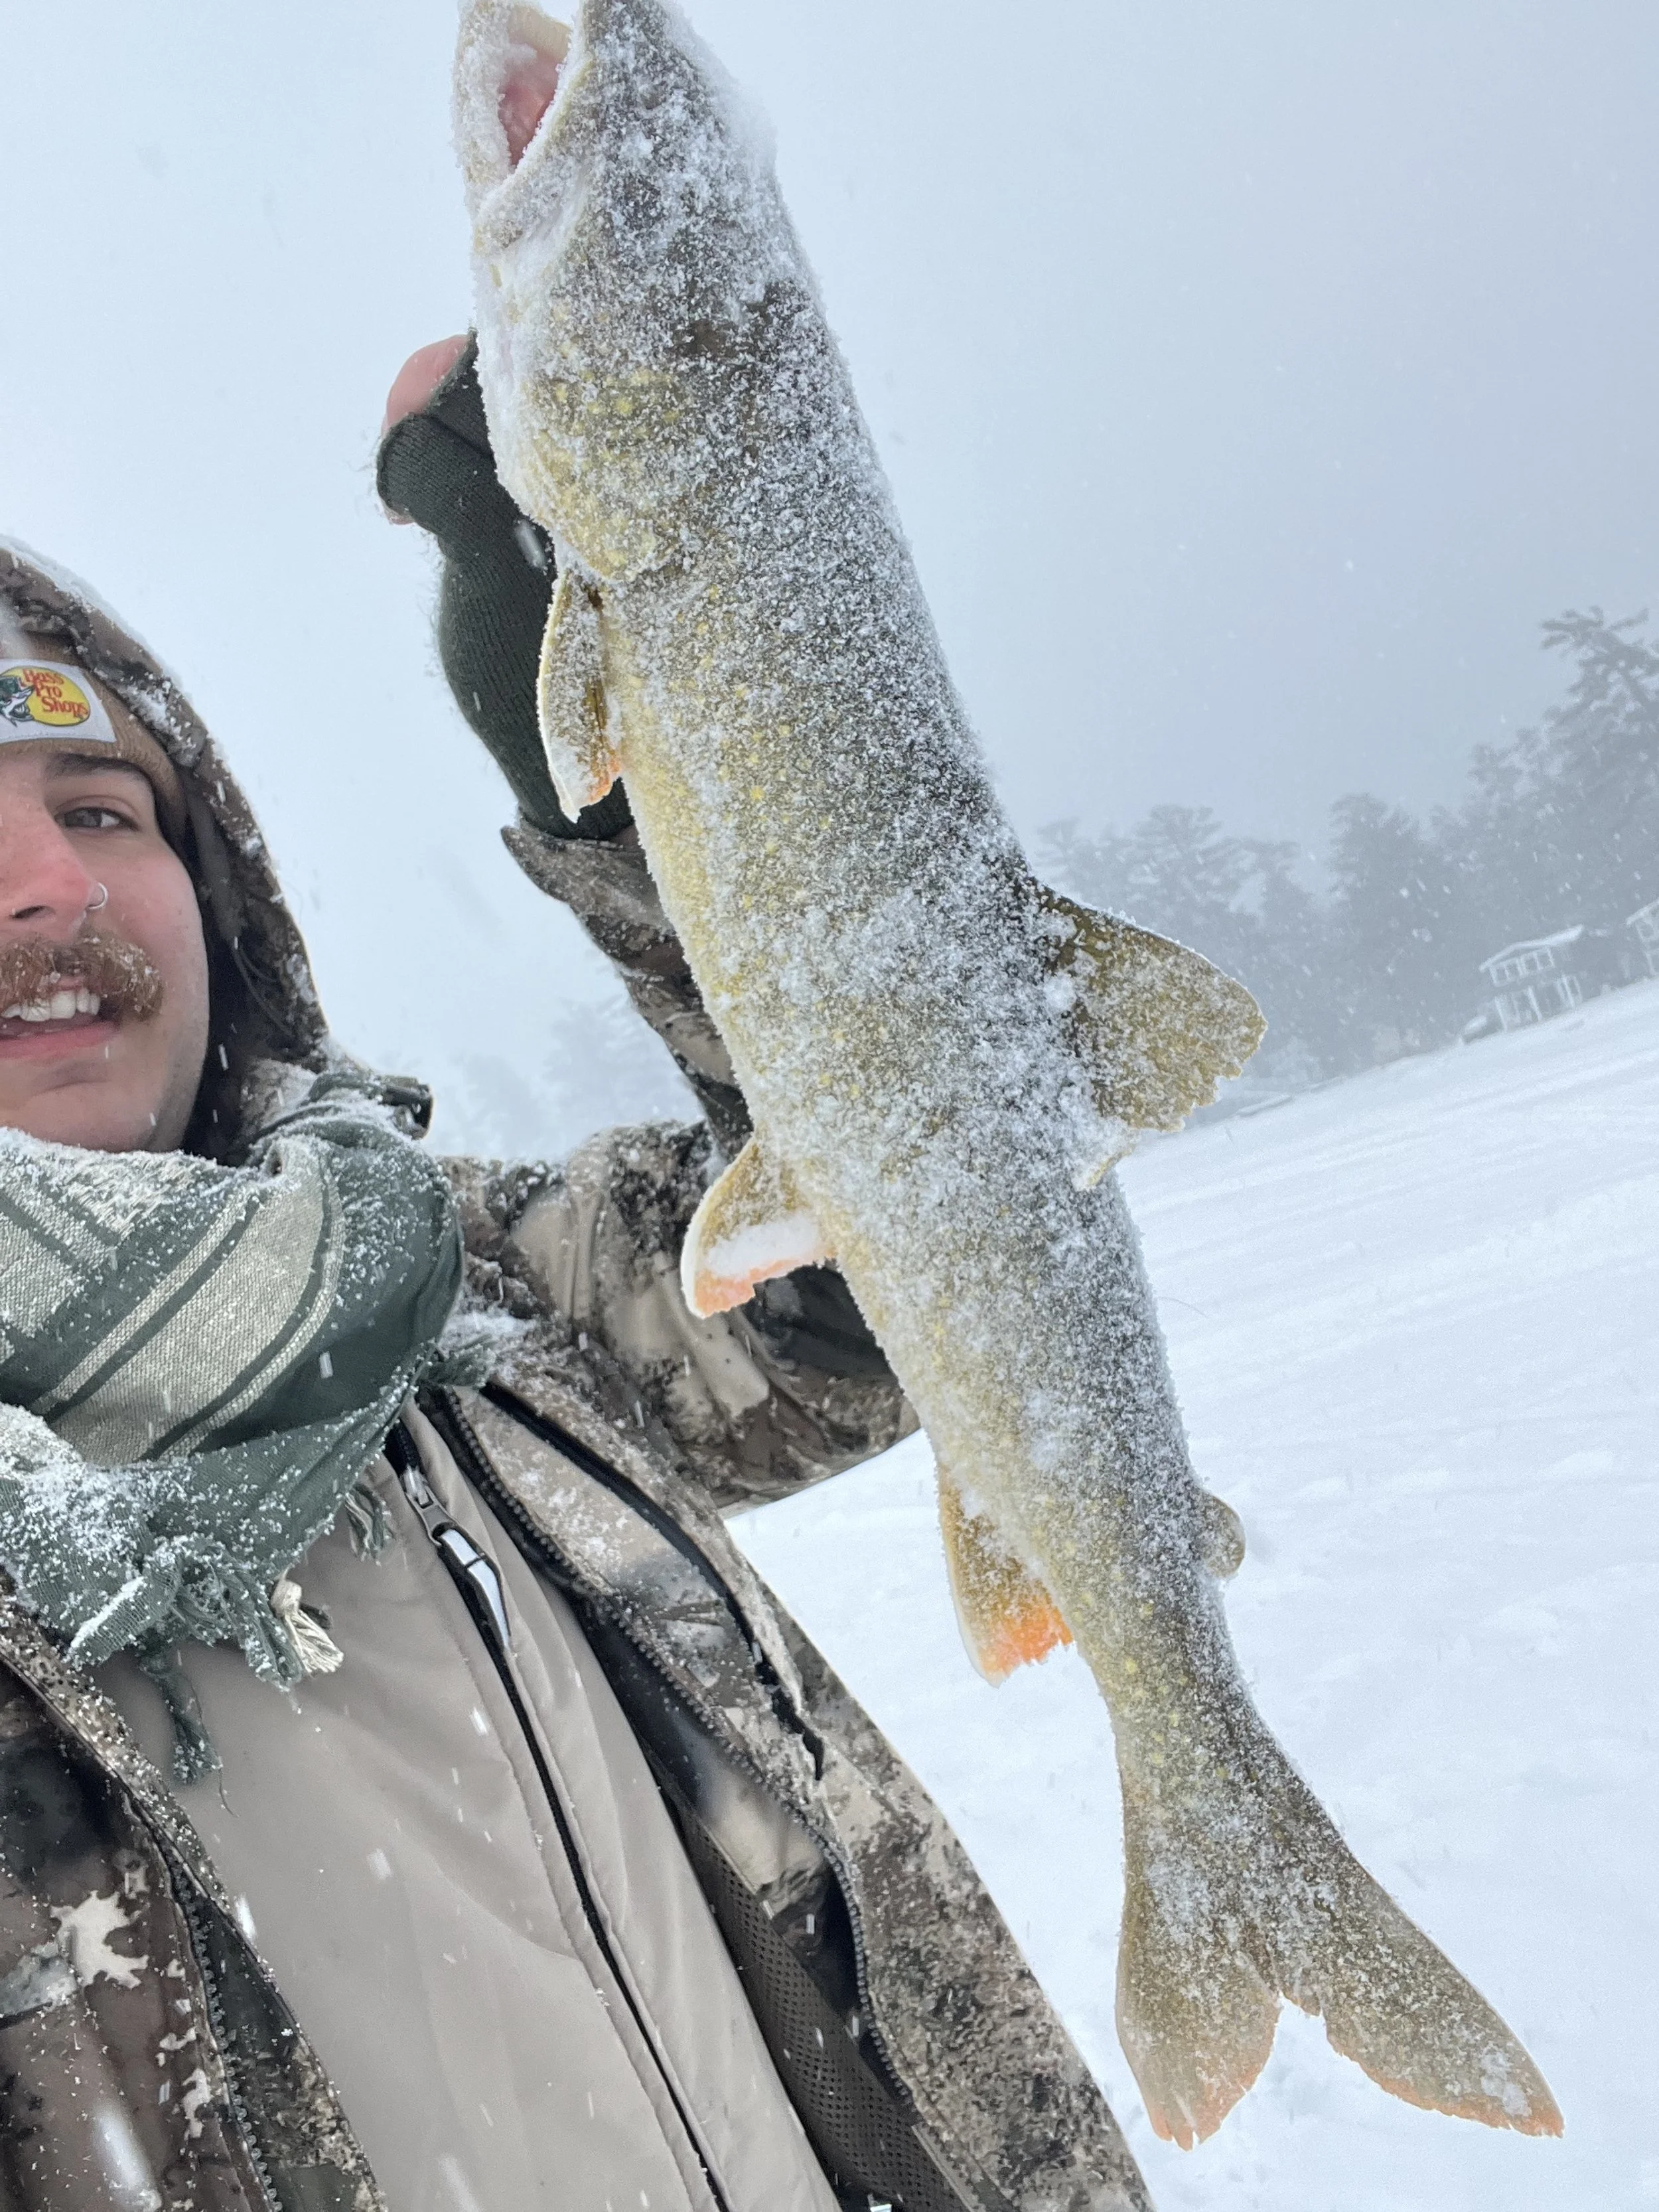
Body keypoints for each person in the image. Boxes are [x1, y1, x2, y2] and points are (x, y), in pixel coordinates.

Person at [0, 334, 1145, 2212]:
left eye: (106, 811)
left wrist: (649, 765)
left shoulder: (455, 1293)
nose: (52, 884)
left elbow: (882, 1261)